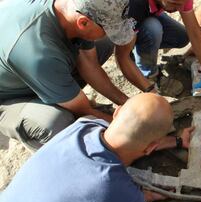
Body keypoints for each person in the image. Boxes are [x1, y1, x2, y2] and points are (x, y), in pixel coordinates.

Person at [0, 93, 191, 202]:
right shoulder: (125, 196)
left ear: (116, 113)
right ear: (151, 147)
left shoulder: (83, 126)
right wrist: (146, 197)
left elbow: (127, 138)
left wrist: (177, 141)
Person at [0, 0, 152, 152]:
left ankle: (60, 92)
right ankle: (55, 157)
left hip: (31, 71)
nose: (109, 33)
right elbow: (83, 110)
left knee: (104, 43)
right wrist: (137, 130)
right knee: (57, 122)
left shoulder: (72, 9)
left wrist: (127, 104)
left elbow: (90, 65)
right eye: (108, 29)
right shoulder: (40, 54)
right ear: (83, 23)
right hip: (7, 98)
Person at [116, 0, 201, 95]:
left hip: (146, 13)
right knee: (153, 28)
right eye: (173, 3)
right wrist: (150, 90)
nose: (180, 8)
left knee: (182, 37)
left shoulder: (180, 1)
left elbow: (194, 32)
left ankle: (138, 45)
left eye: (182, 4)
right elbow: (122, 57)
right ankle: (150, 75)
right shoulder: (135, 5)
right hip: (124, 22)